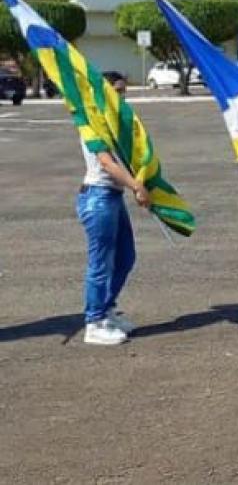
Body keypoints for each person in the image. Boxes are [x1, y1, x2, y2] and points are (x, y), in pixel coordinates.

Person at [76, 71, 149, 345]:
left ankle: (106, 309)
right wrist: (136, 187)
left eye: (123, 92)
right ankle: (94, 322)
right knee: (101, 263)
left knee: (125, 257)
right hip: (98, 197)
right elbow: (107, 163)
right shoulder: (91, 121)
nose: (121, 97)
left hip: (112, 197)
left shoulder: (114, 123)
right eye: (116, 91)